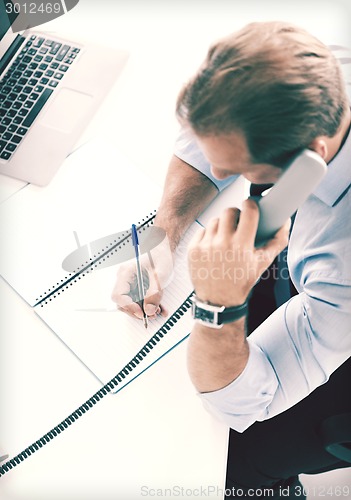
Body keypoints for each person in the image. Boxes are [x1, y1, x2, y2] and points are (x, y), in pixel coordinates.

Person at [112, 22, 351, 498]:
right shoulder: (318, 67)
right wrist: (167, 230)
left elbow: (240, 406)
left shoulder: (342, 267)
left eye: (241, 169)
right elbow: (206, 141)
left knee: (228, 465)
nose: (219, 176)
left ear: (313, 159)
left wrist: (218, 303)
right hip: (307, 268)